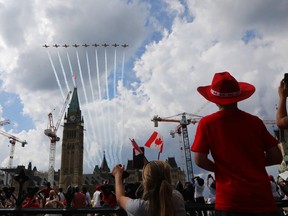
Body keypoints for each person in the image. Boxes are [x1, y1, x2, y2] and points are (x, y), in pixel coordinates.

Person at [191, 71, 283, 215]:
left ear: (215, 100)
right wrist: (253, 162)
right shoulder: (255, 122)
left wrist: (221, 168)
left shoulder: (207, 123)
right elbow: (277, 156)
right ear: (238, 97)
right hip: (262, 199)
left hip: (230, 201)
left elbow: (199, 159)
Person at [112, 160, 186, 216]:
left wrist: (118, 175)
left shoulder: (139, 208)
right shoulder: (178, 197)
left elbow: (120, 198)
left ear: (144, 183)